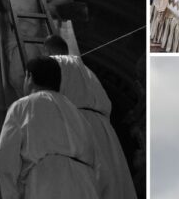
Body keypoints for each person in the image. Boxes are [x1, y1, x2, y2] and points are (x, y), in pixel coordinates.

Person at [0, 57, 98, 199]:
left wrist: (12, 194)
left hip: (47, 184)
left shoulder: (24, 105)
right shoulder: (77, 112)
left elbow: (4, 159)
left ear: (29, 76)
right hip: (85, 185)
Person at [45, 36, 137, 199]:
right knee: (113, 184)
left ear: (48, 50)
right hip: (104, 130)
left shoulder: (53, 64)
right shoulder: (87, 70)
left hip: (77, 123)